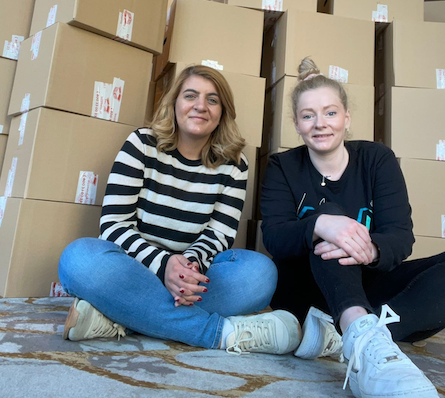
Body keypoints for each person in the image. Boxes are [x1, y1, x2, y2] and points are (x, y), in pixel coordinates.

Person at [260, 57, 445, 398]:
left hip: (376, 292)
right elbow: (274, 237)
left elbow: (400, 237)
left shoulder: (377, 159)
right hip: (309, 293)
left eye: (330, 112)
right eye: (308, 115)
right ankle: (356, 328)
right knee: (331, 216)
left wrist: (371, 250)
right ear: (297, 124)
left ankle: (353, 335)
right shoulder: (282, 165)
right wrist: (323, 224)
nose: (320, 124)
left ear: (346, 117)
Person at [58, 64, 301, 355]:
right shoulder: (142, 144)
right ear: (174, 103)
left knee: (260, 273)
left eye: (212, 100)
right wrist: (164, 266)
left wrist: (188, 268)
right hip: (134, 269)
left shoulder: (234, 165)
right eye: (190, 96)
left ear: (222, 111)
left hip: (192, 275)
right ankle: (222, 334)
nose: (201, 106)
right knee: (78, 259)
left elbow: (218, 236)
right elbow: (113, 226)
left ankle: (121, 315)